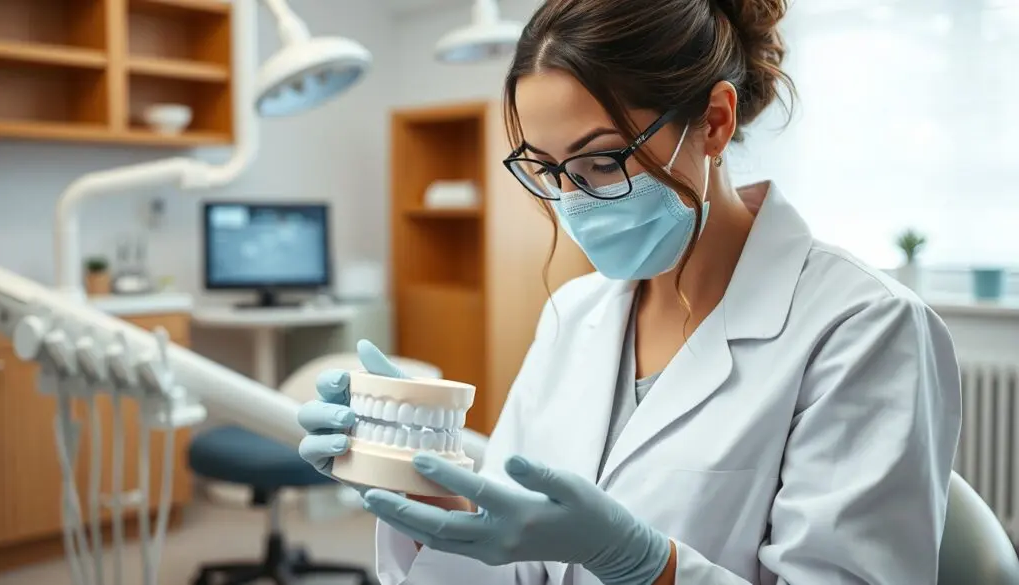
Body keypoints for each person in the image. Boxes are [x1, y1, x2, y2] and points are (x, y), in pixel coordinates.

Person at [297, 0, 963, 583]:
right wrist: (426, 487)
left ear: (715, 122)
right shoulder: (574, 313)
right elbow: (520, 560)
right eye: (548, 169)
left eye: (600, 161)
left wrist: (647, 565)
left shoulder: (864, 329)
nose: (572, 200)